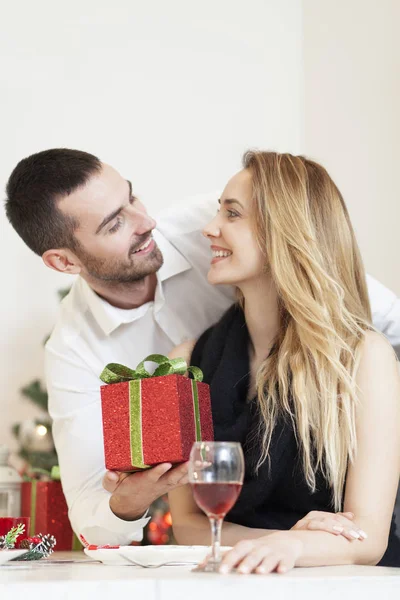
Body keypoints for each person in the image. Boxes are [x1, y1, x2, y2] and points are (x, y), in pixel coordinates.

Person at [4, 149, 400, 546]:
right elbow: (97, 512)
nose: (148, 222)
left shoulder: (206, 225)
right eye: (115, 224)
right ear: (63, 262)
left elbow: (340, 289)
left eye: (132, 197)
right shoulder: (78, 350)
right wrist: (132, 498)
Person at [168, 151, 400, 571]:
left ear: (286, 233)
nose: (210, 228)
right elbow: (188, 524)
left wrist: (292, 550)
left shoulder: (366, 357)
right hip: (236, 578)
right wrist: (288, 542)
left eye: (232, 214)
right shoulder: (188, 363)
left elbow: (368, 538)